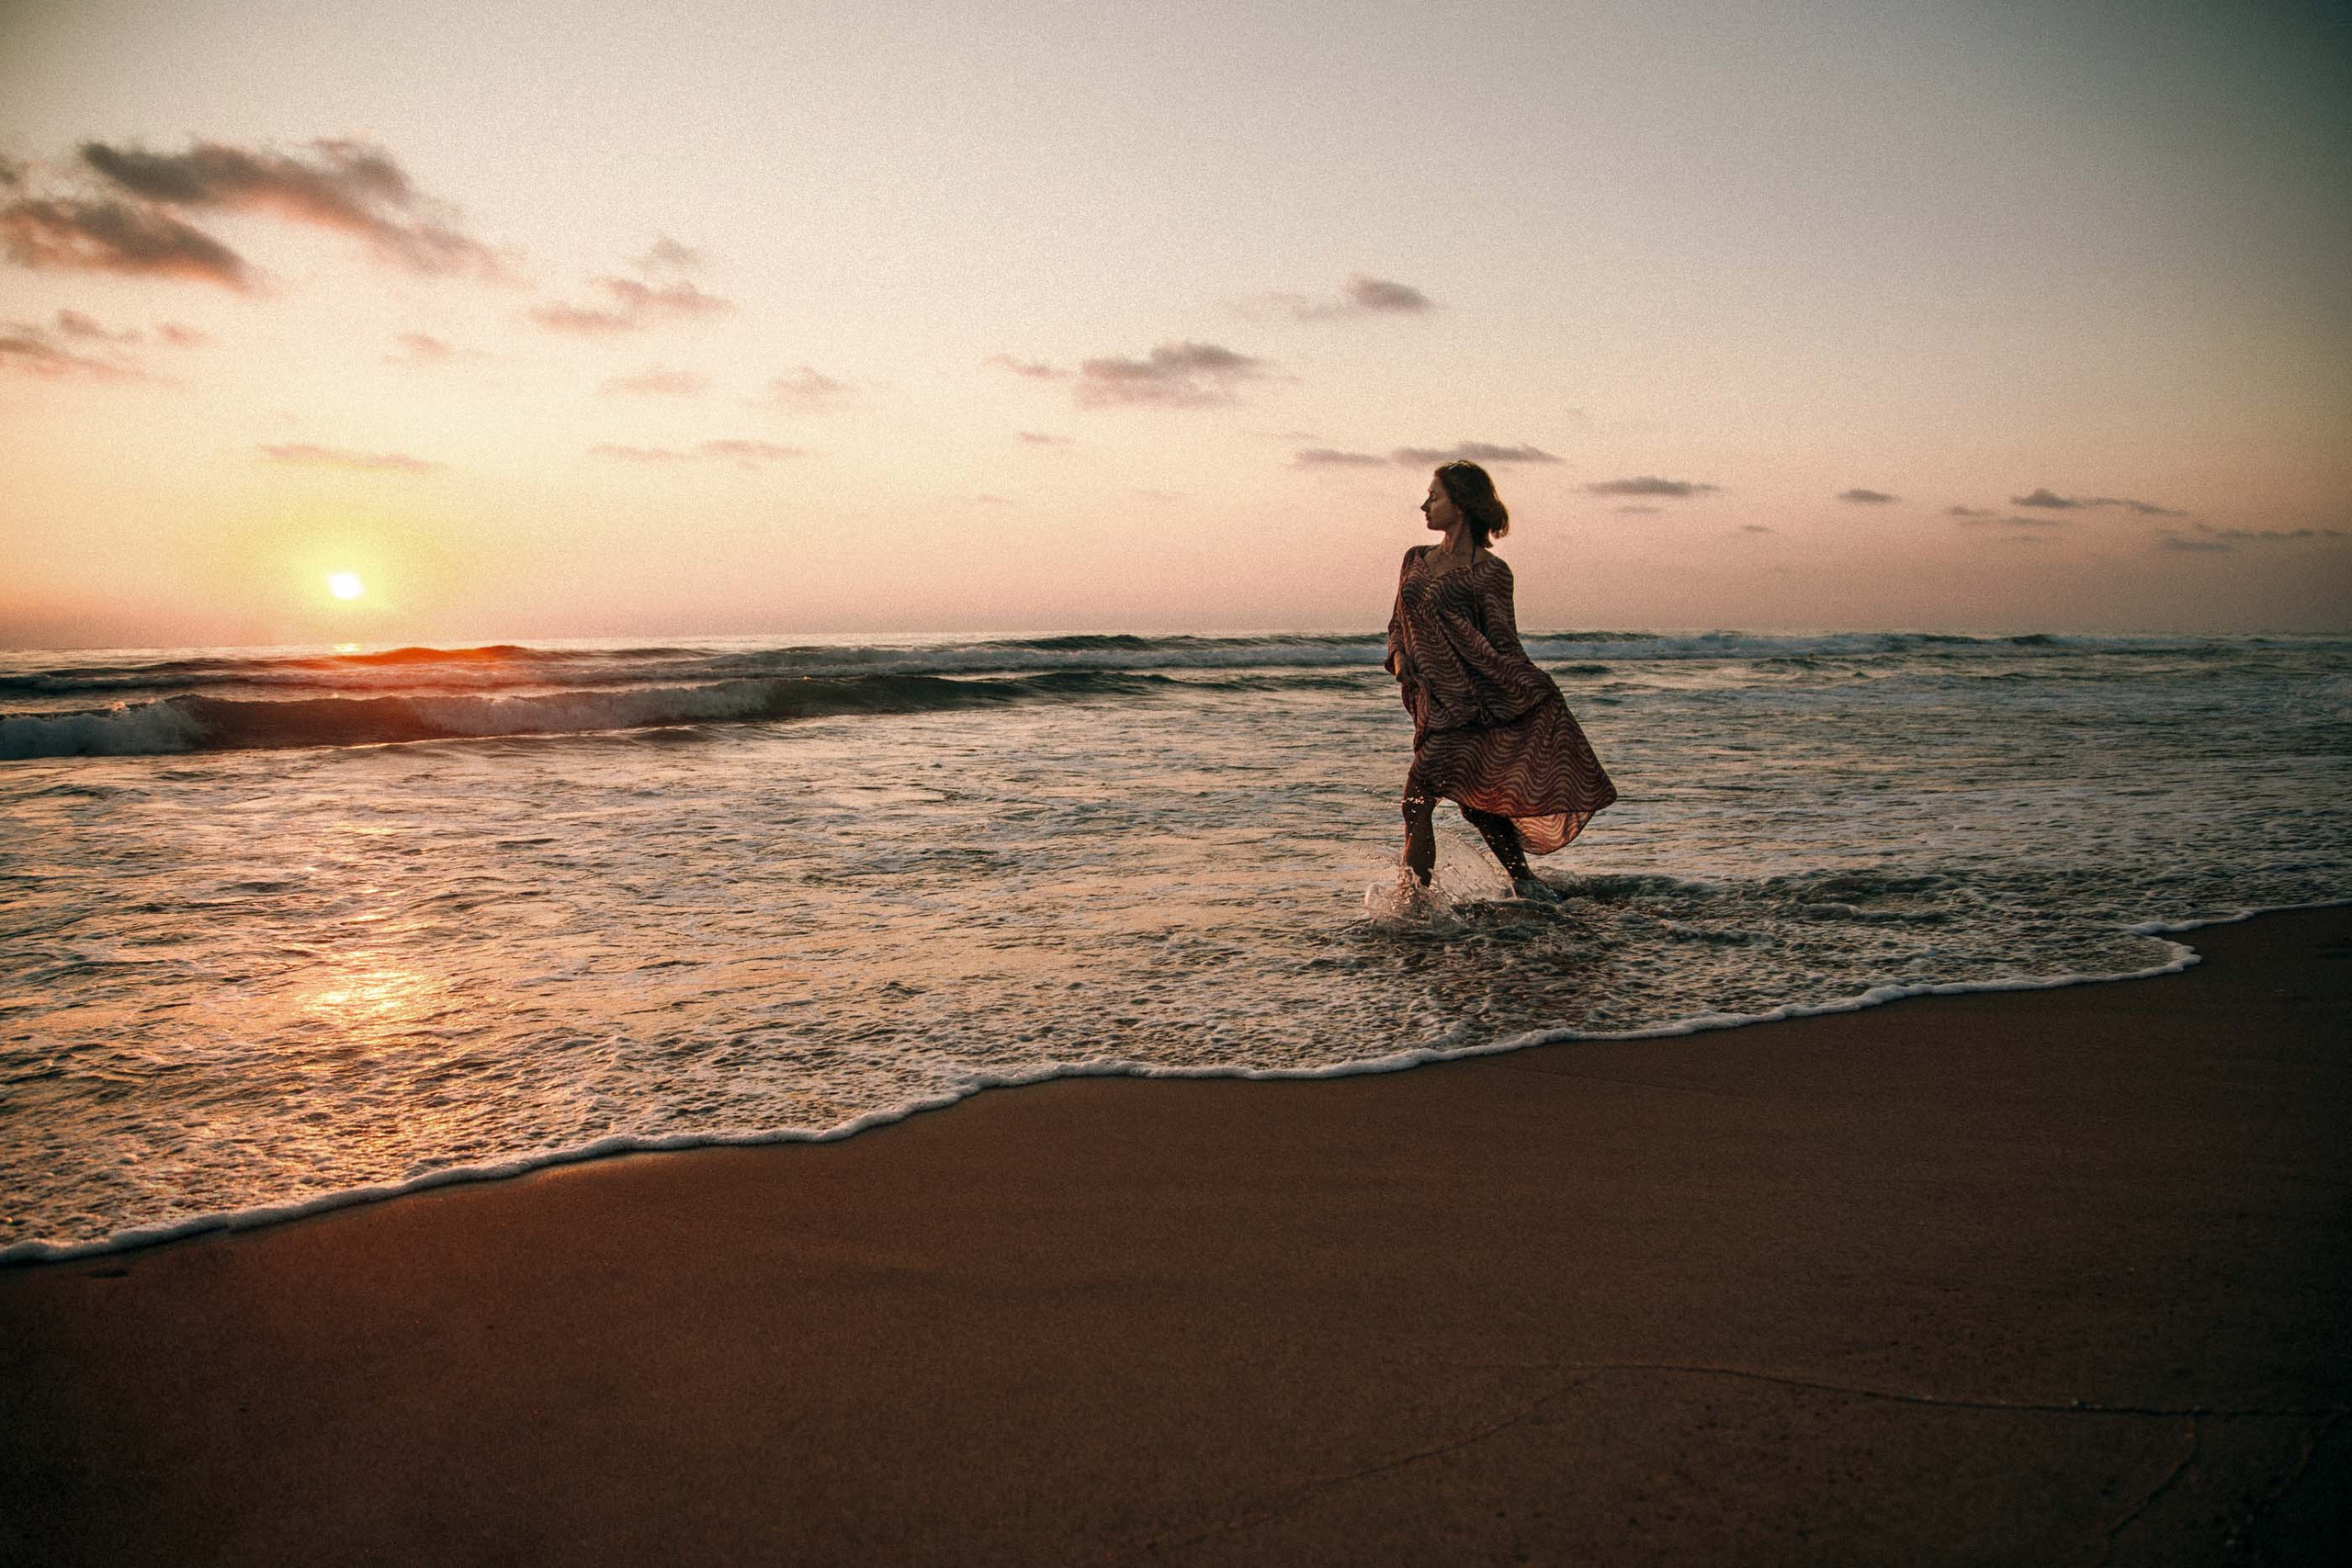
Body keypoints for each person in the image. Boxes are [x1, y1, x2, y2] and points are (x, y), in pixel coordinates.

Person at [1384, 460, 1617, 899]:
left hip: (1470, 706)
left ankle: (1413, 903)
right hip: (1431, 704)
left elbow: (1502, 643)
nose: (1424, 505)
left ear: (1463, 503)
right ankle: (1527, 884)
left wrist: (1533, 688)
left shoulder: (1491, 572)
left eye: (1435, 496)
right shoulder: (1414, 559)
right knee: (1477, 808)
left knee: (1415, 802)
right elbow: (1397, 622)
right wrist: (1398, 659)